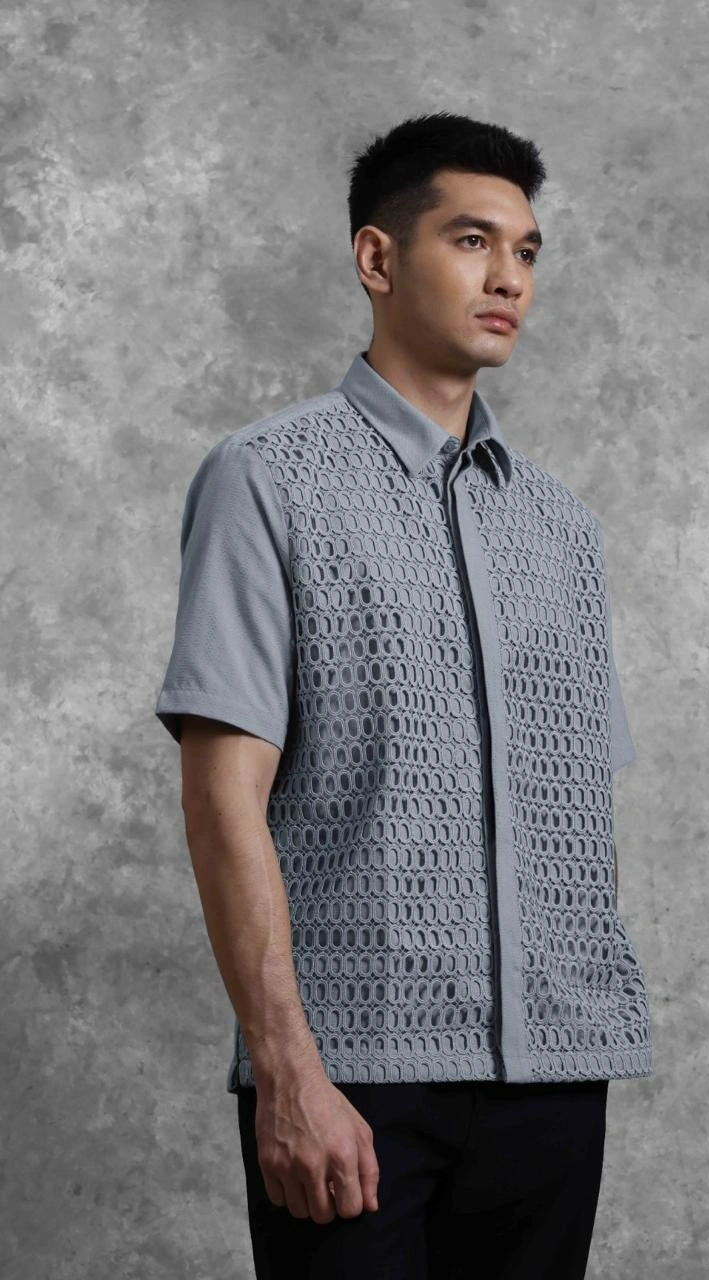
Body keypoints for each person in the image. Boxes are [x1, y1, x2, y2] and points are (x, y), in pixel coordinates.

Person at [154, 110, 653, 1280]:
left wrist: (581, 1016)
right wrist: (287, 1068)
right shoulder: (266, 480)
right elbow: (223, 798)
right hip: (354, 1078)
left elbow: (577, 805)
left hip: (553, 1082)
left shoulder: (563, 526)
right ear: (377, 259)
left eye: (525, 251)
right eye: (472, 241)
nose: (508, 277)